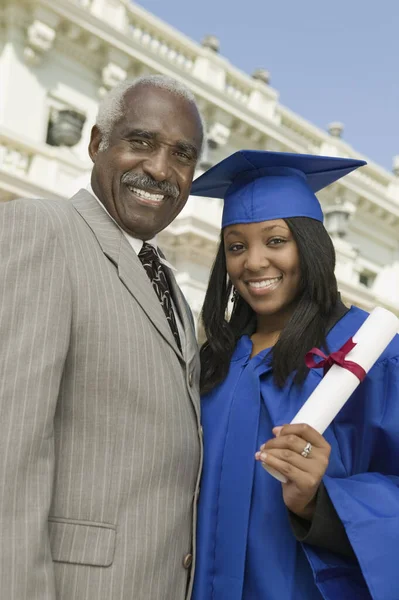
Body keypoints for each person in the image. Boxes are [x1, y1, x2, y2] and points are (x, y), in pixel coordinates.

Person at [0, 75, 204, 599]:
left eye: (181, 155)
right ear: (96, 144)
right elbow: (9, 454)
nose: (160, 169)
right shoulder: (41, 230)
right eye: (140, 142)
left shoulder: (172, 292)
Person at [190, 150, 399, 600]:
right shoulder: (213, 361)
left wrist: (319, 502)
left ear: (311, 245)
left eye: (276, 241)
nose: (254, 263)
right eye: (236, 246)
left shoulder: (370, 354)